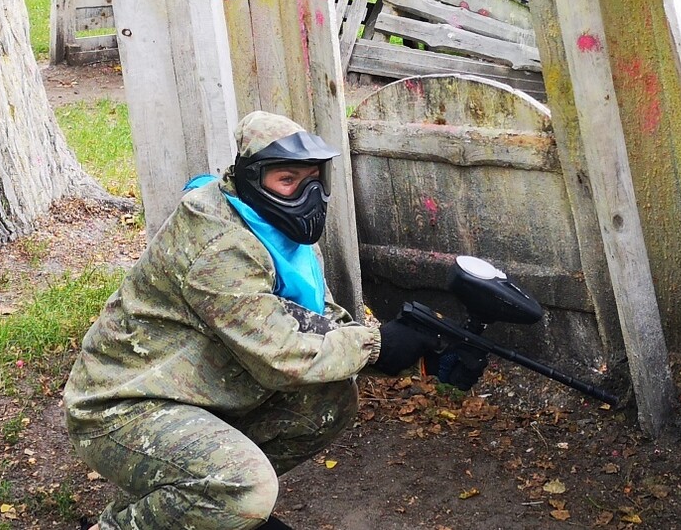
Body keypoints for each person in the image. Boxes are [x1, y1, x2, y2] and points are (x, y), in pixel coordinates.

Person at [63, 111, 441, 530]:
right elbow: (281, 355)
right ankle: (158, 513)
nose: (307, 194)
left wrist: (411, 347)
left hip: (193, 387)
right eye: (288, 180)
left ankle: (206, 500)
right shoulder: (220, 248)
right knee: (246, 488)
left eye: (314, 179)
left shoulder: (272, 232)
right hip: (122, 404)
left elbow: (316, 322)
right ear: (251, 178)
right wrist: (376, 345)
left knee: (328, 401)